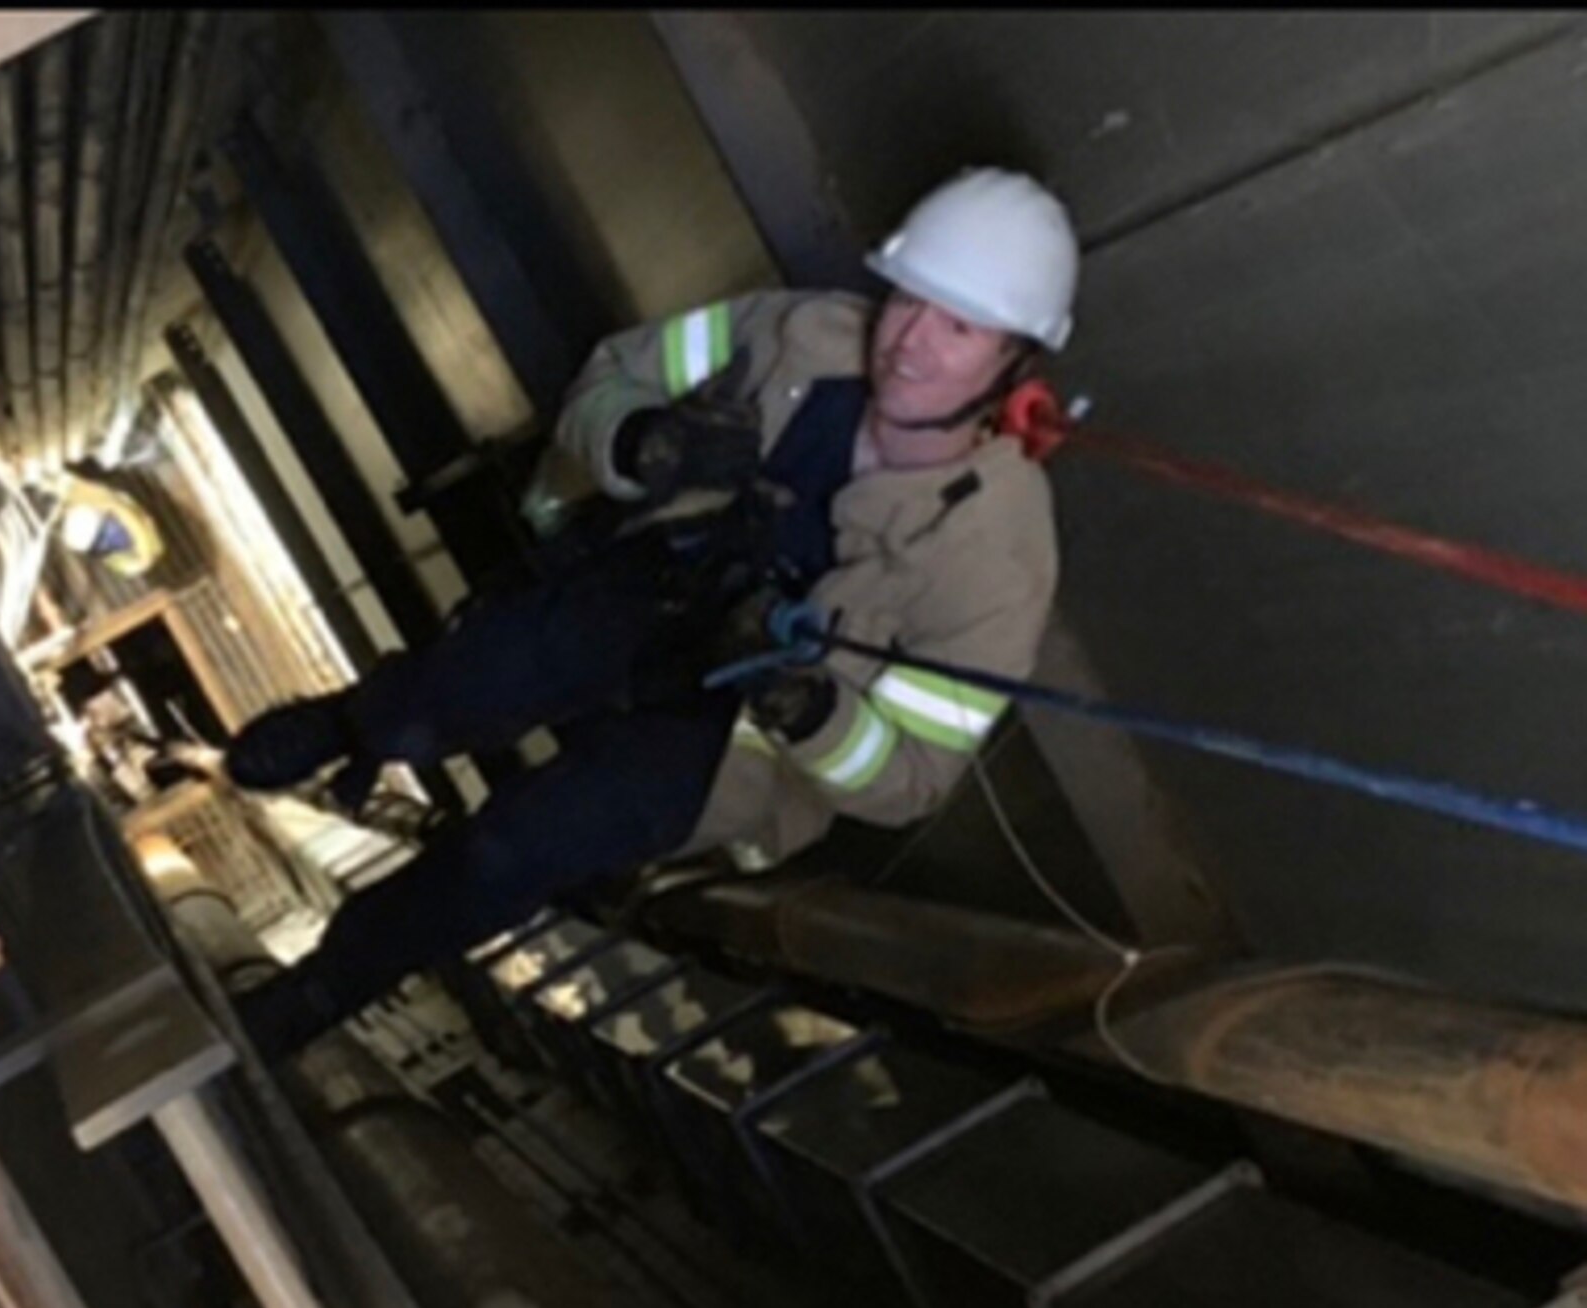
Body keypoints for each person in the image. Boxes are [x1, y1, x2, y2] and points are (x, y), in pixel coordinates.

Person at [223, 167, 1077, 1063]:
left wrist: (810, 711)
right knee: (466, 677)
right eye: (910, 301)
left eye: (960, 328)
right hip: (644, 592)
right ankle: (354, 723)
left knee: (515, 849)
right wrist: (642, 442)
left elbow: (913, 780)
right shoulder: (801, 332)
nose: (910, 344)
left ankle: (328, 983)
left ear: (1016, 366)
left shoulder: (998, 553)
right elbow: (610, 376)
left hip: (728, 741)